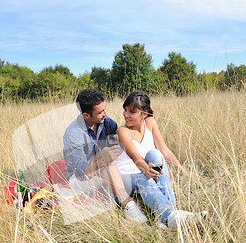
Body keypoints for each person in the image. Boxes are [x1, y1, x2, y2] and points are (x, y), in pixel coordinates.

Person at [116, 91, 207, 229]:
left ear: (144, 114)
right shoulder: (122, 131)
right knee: (143, 177)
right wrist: (146, 169)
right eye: (125, 110)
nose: (126, 115)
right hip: (127, 176)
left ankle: (172, 215)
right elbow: (134, 156)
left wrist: (184, 173)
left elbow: (164, 151)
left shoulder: (150, 123)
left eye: (132, 111)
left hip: (147, 170)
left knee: (155, 153)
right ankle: (170, 216)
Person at [63, 89, 148, 224]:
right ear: (86, 115)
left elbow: (118, 153)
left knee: (118, 167)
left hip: (107, 175)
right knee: (107, 162)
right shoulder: (74, 134)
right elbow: (80, 173)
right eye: (100, 112)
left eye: (105, 109)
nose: (106, 114)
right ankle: (129, 206)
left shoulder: (109, 124)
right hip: (79, 181)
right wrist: (100, 158)